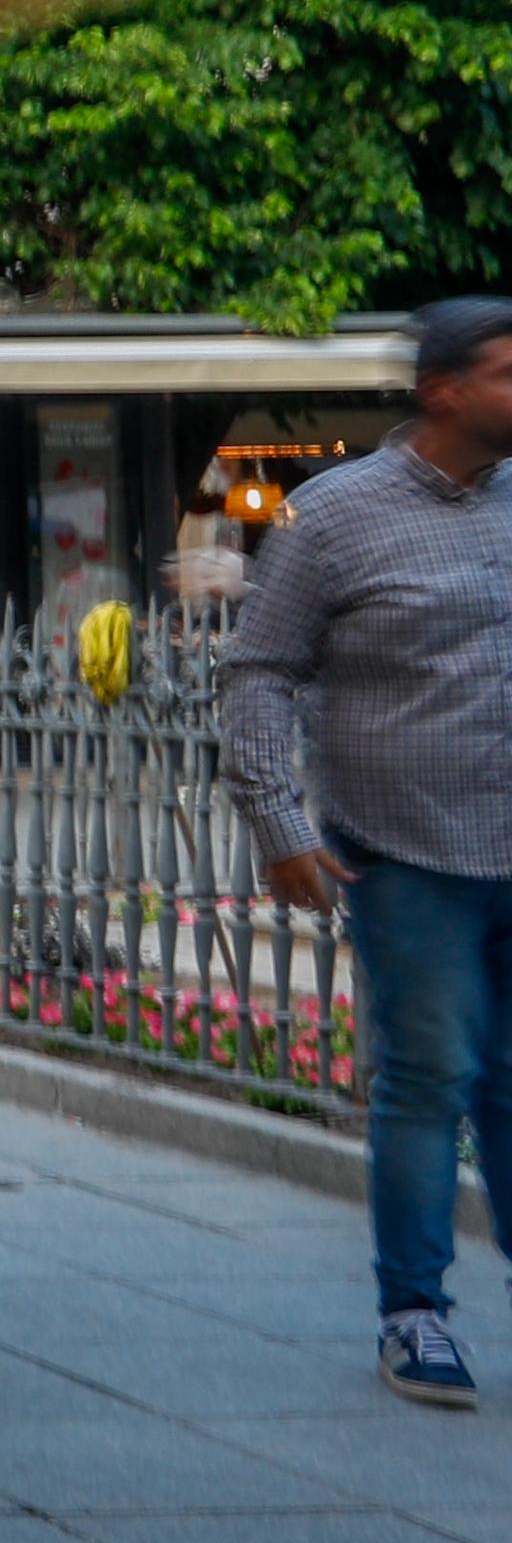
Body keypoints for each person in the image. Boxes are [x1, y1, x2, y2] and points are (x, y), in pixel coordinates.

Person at [227, 296, 512, 1412]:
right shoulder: (326, 515)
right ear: (444, 390)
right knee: (430, 1076)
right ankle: (413, 1314)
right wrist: (277, 823)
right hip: (404, 852)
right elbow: (258, 672)